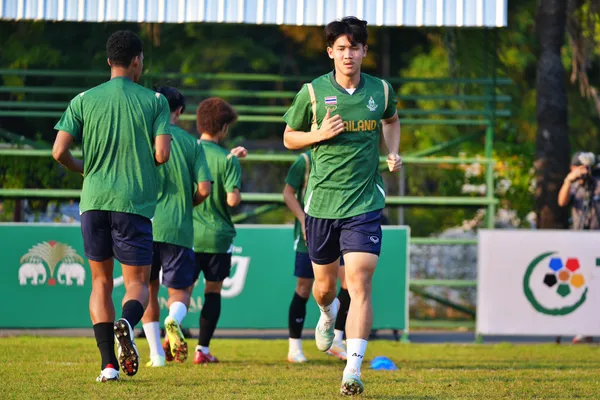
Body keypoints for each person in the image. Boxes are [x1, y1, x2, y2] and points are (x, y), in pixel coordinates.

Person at [282, 17, 401, 395]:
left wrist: (393, 151)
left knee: (360, 282)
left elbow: (391, 120)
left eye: (355, 47)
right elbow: (288, 137)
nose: (348, 54)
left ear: (365, 51)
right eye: (341, 48)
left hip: (364, 203)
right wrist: (318, 134)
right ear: (330, 52)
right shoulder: (313, 92)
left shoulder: (381, 90)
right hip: (322, 205)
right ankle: (326, 313)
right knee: (324, 288)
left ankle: (353, 369)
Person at [52, 30, 172, 382]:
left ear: (109, 61)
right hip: (132, 202)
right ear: (137, 60)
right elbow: (162, 154)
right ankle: (127, 323)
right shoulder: (155, 101)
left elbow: (59, 151)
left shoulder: (83, 99)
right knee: (137, 284)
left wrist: (84, 168)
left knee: (100, 282)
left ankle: (108, 366)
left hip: (93, 201)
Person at [140, 86, 213, 367]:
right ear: (179, 111)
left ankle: (156, 355)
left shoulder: (143, 139)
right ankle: (174, 319)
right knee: (179, 290)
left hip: (144, 224)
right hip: (178, 227)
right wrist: (187, 203)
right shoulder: (192, 144)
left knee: (146, 289)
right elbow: (205, 189)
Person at [283, 150, 351, 363]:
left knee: (349, 283)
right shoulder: (305, 161)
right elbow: (288, 193)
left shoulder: (346, 155)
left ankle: (337, 339)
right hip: (312, 231)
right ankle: (294, 347)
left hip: (339, 229)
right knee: (304, 287)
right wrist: (304, 219)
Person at [192, 98, 247, 364]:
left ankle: (171, 330)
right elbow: (232, 200)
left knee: (181, 290)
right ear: (224, 128)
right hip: (217, 236)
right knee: (212, 290)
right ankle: (202, 350)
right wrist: (234, 170)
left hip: (186, 234)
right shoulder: (227, 159)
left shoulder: (186, 151)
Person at [557, 151, 600, 344]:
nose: (584, 171)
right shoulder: (573, 186)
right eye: (580, 167)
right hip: (579, 241)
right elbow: (561, 202)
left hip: (597, 239)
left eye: (587, 167)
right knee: (581, 283)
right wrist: (569, 180)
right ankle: (584, 329)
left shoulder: (598, 185)